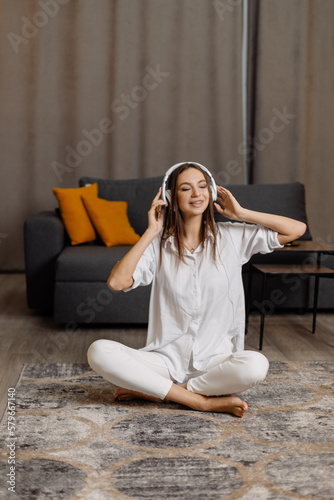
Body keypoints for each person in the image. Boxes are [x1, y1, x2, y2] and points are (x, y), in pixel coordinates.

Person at [87, 162, 306, 417]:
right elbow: (116, 282)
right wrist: (151, 232)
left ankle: (162, 391)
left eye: (202, 186)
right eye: (186, 188)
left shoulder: (233, 237)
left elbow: (296, 230)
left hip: (215, 363)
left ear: (211, 192)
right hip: (166, 361)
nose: (197, 194)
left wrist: (242, 214)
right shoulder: (159, 244)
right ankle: (199, 401)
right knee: (99, 351)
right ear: (171, 197)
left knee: (255, 365)